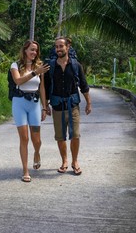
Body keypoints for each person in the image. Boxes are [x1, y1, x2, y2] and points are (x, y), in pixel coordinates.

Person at [44, 36, 91, 176]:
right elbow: (46, 88)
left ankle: (75, 161)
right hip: (57, 106)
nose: (58, 49)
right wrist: (45, 105)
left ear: (67, 47)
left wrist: (89, 103)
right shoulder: (50, 67)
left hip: (73, 105)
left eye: (61, 46)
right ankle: (64, 161)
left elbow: (84, 86)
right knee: (60, 137)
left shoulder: (76, 65)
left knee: (75, 135)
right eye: (56, 46)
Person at [10, 40, 50, 182]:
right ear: (25, 50)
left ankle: (37, 153)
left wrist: (45, 107)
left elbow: (42, 88)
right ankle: (25, 170)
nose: (34, 53)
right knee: (24, 138)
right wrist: (35, 73)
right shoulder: (15, 65)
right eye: (32, 50)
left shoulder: (39, 66)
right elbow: (18, 81)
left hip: (34, 104)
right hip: (19, 103)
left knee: (36, 139)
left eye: (36, 50)